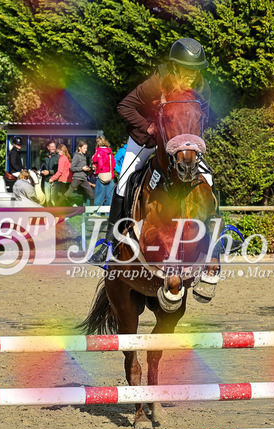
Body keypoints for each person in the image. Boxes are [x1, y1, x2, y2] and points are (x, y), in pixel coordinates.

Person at [89, 37, 212, 264]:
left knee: (209, 178)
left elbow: (202, 118)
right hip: (146, 140)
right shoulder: (157, 83)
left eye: (196, 69)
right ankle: (109, 243)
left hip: (181, 143)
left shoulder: (202, 88)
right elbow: (125, 106)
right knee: (124, 182)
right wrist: (148, 126)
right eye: (187, 69)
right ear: (175, 66)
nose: (192, 75)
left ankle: (214, 241)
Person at [63, 140, 94, 205]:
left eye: (86, 148)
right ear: (80, 148)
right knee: (67, 193)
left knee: (91, 194)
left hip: (84, 179)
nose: (86, 150)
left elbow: (83, 167)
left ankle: (92, 210)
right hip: (77, 178)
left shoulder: (84, 156)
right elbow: (72, 168)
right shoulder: (76, 156)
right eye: (84, 148)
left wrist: (87, 169)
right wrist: (82, 168)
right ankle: (57, 205)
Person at [92, 136, 116, 207]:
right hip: (110, 176)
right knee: (109, 197)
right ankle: (107, 212)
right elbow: (113, 163)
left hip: (101, 176)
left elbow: (100, 164)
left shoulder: (99, 152)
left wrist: (96, 172)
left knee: (99, 197)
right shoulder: (109, 152)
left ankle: (97, 212)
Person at [40, 140, 59, 206]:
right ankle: (49, 212)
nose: (53, 148)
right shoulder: (45, 156)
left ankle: (55, 212)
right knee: (47, 200)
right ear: (48, 148)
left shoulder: (58, 157)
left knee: (53, 200)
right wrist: (42, 171)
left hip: (55, 181)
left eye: (54, 146)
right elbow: (43, 166)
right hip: (46, 180)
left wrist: (49, 172)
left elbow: (58, 170)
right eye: (52, 147)